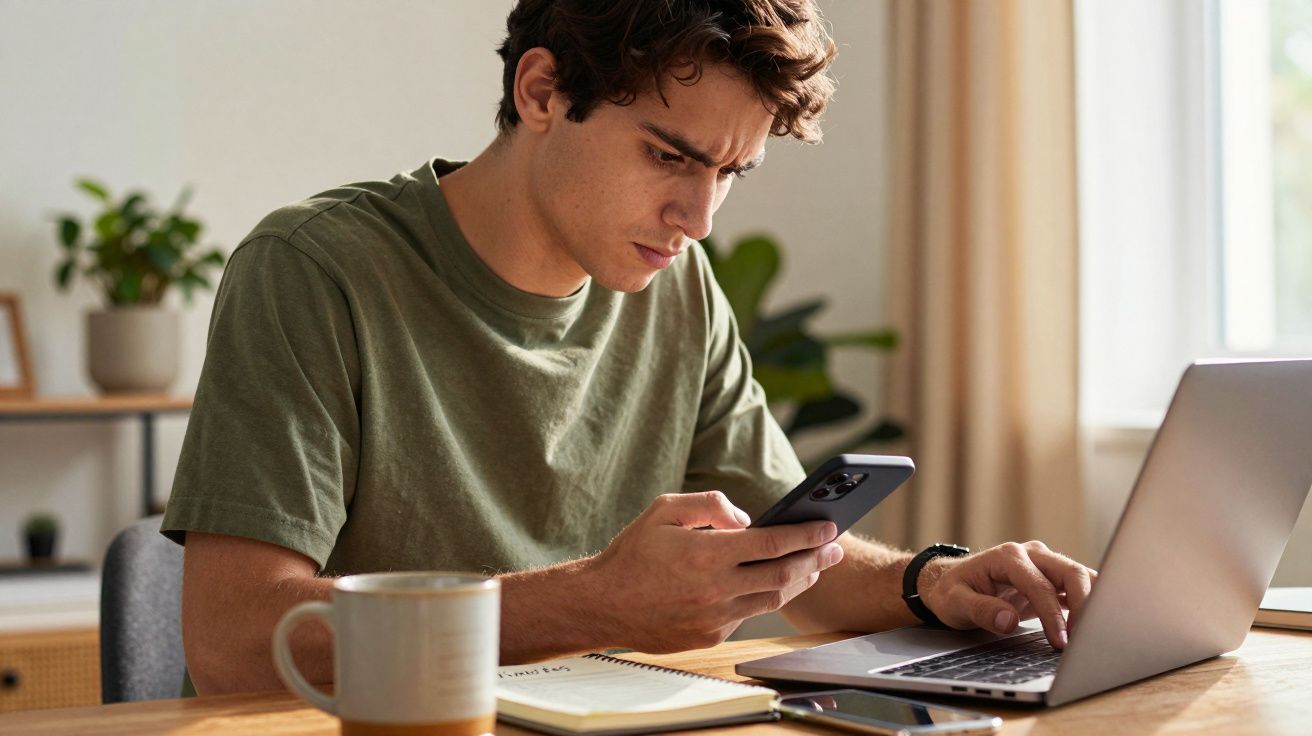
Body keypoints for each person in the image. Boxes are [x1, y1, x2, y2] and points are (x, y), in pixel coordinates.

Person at [163, 0, 1096, 695]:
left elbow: (788, 557)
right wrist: (594, 601)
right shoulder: (314, 272)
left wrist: (935, 583)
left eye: (729, 173)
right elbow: (236, 642)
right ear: (541, 91)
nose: (698, 218)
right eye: (669, 155)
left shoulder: (675, 286)